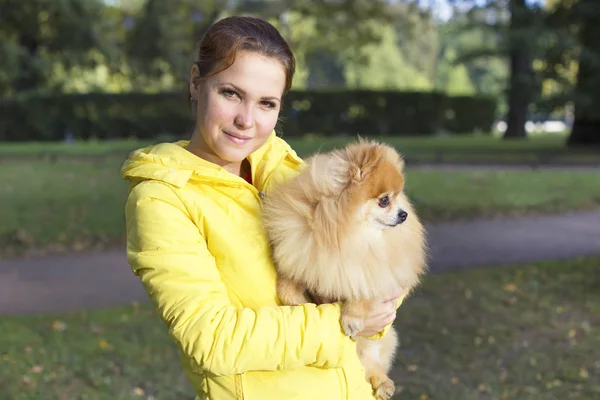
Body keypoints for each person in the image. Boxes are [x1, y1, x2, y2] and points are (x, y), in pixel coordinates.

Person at [121, 15, 403, 400]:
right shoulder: (162, 199)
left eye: (267, 103)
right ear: (195, 83)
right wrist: (346, 323)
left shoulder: (286, 167)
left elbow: (372, 262)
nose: (246, 121)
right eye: (231, 93)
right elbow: (214, 342)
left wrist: (372, 307)